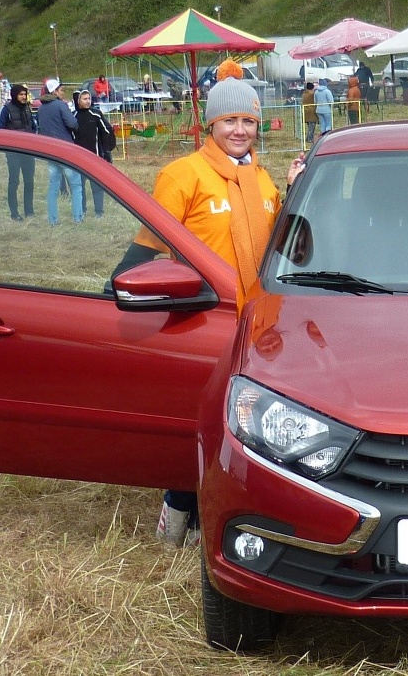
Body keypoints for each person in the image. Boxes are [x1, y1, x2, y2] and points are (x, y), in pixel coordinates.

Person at [118, 74, 282, 547]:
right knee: (198, 421)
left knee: (243, 424)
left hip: (257, 325)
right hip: (202, 322)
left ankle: (227, 515)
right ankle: (175, 518)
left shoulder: (262, 178)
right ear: (210, 123)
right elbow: (148, 247)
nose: (239, 130)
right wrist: (119, 291)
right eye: (229, 119)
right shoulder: (182, 174)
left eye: (248, 120)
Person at [36, 78, 84, 224]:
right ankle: (77, 218)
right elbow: (72, 123)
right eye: (61, 90)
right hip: (65, 149)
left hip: (50, 151)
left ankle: (52, 220)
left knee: (53, 187)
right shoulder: (61, 105)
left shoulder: (41, 108)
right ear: (54, 91)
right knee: (76, 186)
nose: (63, 93)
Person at [0, 84, 38, 221]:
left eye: (25, 94)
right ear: (14, 95)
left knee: (29, 182)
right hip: (13, 152)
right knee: (14, 182)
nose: (24, 97)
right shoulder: (6, 109)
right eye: (21, 94)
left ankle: (29, 211)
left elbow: (33, 126)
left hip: (28, 151)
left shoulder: (27, 109)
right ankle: (14, 213)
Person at [73, 89, 117, 218]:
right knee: (80, 187)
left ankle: (99, 212)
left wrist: (107, 150)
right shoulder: (73, 116)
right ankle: (82, 210)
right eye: (84, 99)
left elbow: (107, 130)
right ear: (78, 100)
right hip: (78, 159)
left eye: (89, 99)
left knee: (97, 187)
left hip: (95, 157)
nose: (87, 101)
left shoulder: (96, 114)